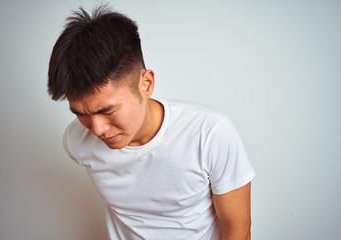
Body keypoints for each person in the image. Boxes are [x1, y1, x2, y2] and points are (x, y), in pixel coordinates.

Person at [48, 6, 255, 240]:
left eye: (108, 110)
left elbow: (237, 230)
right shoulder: (76, 141)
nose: (97, 129)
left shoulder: (209, 132)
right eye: (81, 114)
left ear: (145, 84)